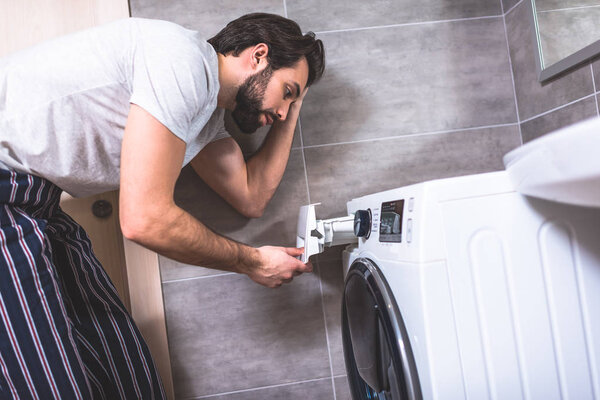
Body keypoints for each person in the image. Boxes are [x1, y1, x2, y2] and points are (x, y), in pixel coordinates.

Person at [0, 13, 325, 399]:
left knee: (123, 371)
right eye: (287, 91)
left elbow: (251, 196)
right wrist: (250, 261)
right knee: (51, 386)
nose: (283, 112)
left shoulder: (204, 118)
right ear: (258, 56)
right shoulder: (182, 62)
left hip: (36, 204)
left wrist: (295, 104)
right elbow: (144, 220)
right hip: (8, 191)